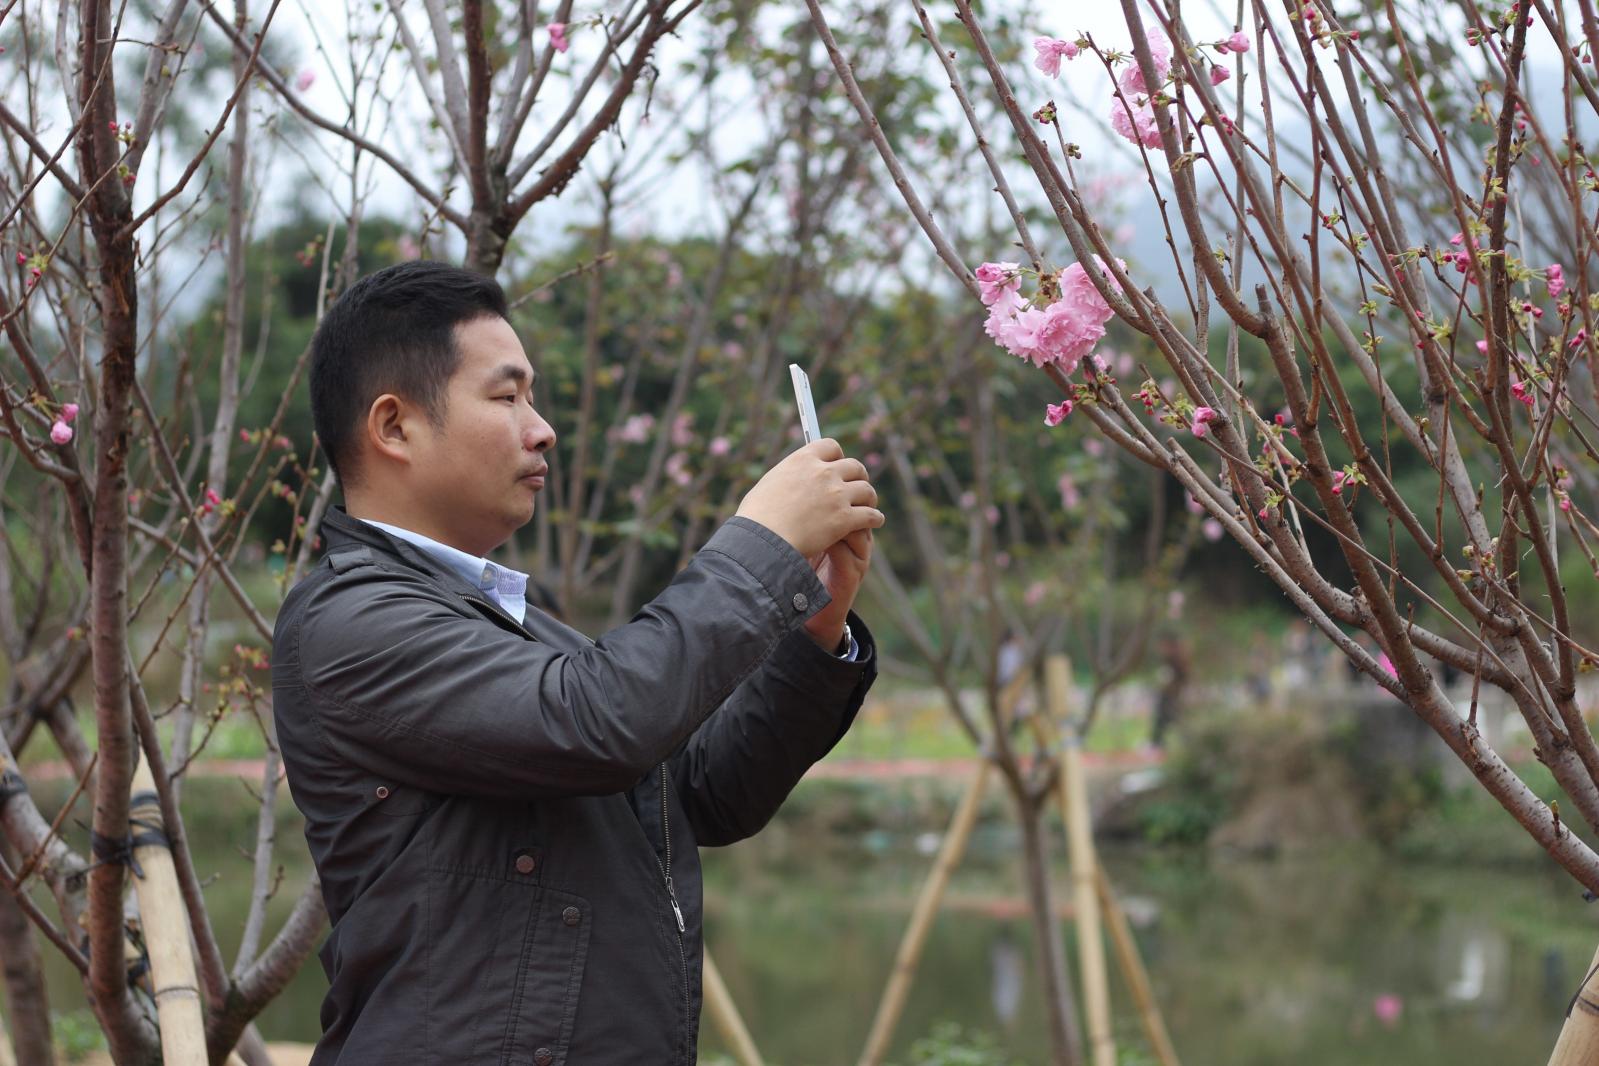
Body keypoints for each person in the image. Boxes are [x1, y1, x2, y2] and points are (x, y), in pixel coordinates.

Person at [270, 260, 885, 1064]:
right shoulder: (347, 619)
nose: (540, 427)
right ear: (393, 427)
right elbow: (599, 723)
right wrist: (758, 549)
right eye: (505, 395)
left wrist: (813, 628)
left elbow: (702, 791)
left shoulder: (529, 636)